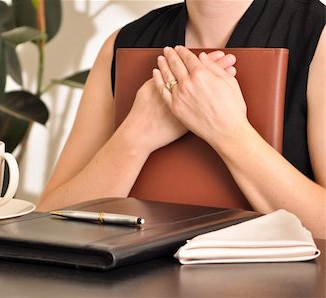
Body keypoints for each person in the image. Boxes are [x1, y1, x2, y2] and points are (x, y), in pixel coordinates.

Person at [37, 0, 325, 239]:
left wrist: (228, 132)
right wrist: (133, 139)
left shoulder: (318, 36)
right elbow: (46, 219)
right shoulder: (122, 44)